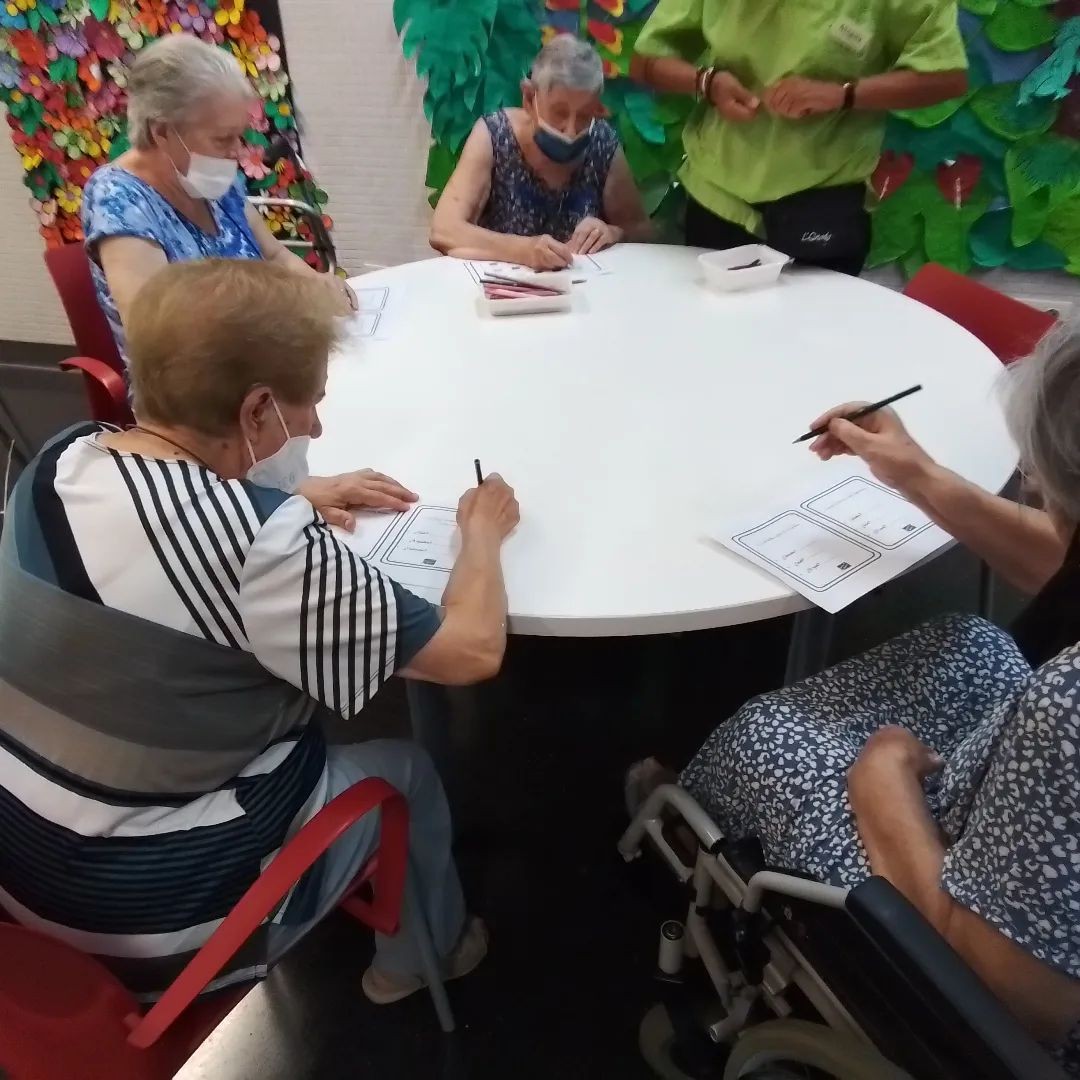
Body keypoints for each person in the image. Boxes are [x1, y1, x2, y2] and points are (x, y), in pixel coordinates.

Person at [0, 258, 520, 1005]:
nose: (317, 427)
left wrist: (297, 490)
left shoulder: (62, 457)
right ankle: (419, 958)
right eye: (310, 405)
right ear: (255, 412)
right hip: (136, 910)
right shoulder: (258, 545)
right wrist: (481, 532)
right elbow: (472, 651)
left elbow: (169, 524)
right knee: (406, 773)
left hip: (22, 859)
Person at [629, 337, 1080, 1072]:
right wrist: (915, 473)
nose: (1029, 479)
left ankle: (692, 828)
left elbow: (1016, 1001)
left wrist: (883, 781)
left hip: (987, 977)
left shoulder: (1069, 705)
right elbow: (1065, 564)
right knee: (967, 643)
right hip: (1031, 814)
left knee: (768, 733)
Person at [630, 0, 969, 275]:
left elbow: (945, 77)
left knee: (813, 333)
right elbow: (645, 62)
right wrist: (707, 82)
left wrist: (842, 95)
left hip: (822, 199)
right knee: (713, 329)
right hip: (717, 195)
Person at [81, 33, 354, 362]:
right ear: (162, 131)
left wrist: (318, 285)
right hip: (199, 380)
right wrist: (280, 308)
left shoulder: (209, 177)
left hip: (262, 351)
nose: (237, 152)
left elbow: (275, 257)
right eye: (223, 139)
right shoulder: (118, 200)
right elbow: (157, 336)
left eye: (239, 137)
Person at [430, 36, 651, 270]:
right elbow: (444, 230)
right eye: (559, 113)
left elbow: (643, 232)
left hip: (582, 287)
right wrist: (523, 250)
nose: (571, 131)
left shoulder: (602, 143)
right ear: (529, 98)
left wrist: (613, 232)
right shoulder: (494, 136)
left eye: (585, 116)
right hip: (502, 287)